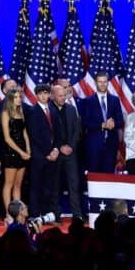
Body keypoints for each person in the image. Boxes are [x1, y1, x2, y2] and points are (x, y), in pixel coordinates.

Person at [80, 73, 124, 174]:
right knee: (94, 175)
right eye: (100, 82)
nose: (103, 84)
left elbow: (120, 121)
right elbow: (85, 123)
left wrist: (113, 124)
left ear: (108, 83)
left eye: (105, 82)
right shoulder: (87, 101)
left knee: (108, 176)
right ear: (96, 83)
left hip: (111, 145)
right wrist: (102, 125)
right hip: (93, 145)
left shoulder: (115, 100)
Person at [27, 84, 60, 217]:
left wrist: (56, 149)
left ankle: (46, 213)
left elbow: (58, 133)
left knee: (48, 186)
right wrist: (47, 153)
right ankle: (35, 213)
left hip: (52, 155)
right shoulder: (32, 111)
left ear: (49, 95)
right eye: (40, 94)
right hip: (39, 156)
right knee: (36, 186)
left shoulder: (53, 110)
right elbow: (34, 135)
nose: (43, 96)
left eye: (46, 93)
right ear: (36, 96)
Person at [52, 83, 83, 219]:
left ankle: (77, 215)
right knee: (55, 185)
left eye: (64, 95)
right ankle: (55, 214)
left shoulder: (71, 109)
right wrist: (59, 147)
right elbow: (49, 133)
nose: (63, 98)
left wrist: (71, 146)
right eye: (60, 96)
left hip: (71, 153)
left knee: (74, 184)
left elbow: (77, 130)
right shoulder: (49, 110)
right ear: (53, 96)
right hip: (56, 153)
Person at [0, 88, 30, 219]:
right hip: (11, 151)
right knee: (9, 184)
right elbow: (7, 138)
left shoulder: (20, 112)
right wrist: (21, 152)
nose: (19, 99)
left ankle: (18, 212)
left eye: (20, 97)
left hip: (23, 150)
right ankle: (8, 213)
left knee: (18, 184)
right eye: (16, 97)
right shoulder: (5, 113)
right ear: (11, 99)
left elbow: (24, 132)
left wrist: (28, 149)